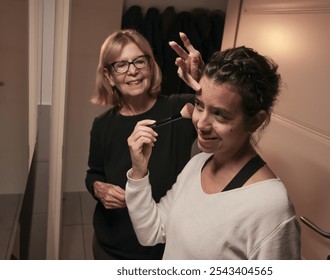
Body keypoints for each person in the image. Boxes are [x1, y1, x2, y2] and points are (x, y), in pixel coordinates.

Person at [125, 46, 301, 259]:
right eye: (199, 106)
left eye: (220, 115)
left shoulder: (271, 207)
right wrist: (138, 171)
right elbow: (151, 232)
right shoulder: (197, 164)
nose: (201, 123)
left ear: (255, 121)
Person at [85, 29, 203, 259]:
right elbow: (94, 173)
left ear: (151, 66)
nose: (133, 71)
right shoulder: (102, 125)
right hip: (111, 243)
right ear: (109, 76)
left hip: (163, 243)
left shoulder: (180, 109)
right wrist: (97, 188)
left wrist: (202, 79)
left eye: (139, 60)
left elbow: (220, 107)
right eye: (121, 64)